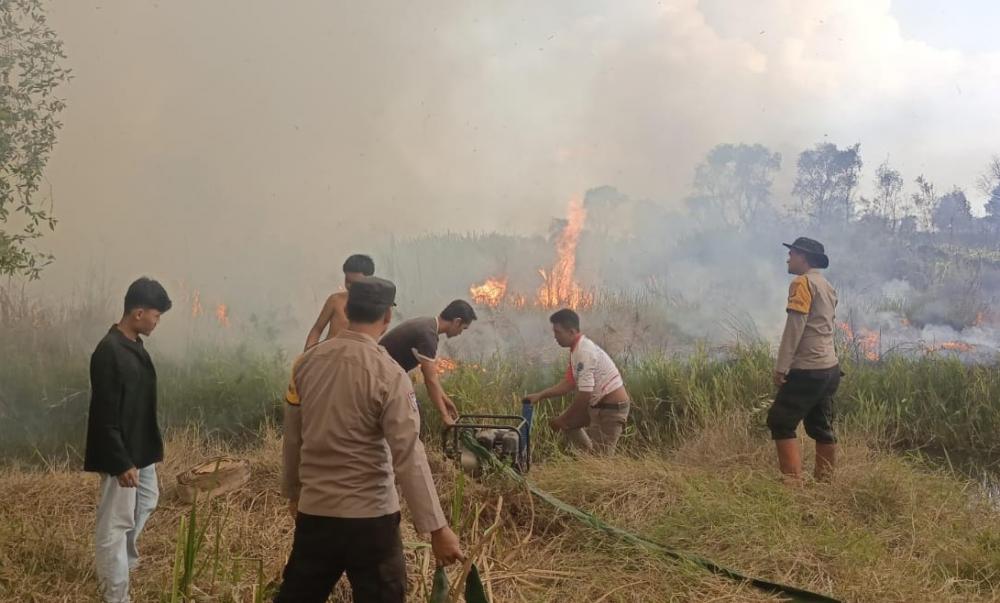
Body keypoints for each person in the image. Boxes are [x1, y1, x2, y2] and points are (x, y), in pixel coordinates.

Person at [277, 276, 463, 603]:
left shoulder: (305, 364)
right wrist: (437, 528)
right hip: (371, 521)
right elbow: (408, 454)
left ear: (347, 310)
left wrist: (294, 493)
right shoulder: (390, 373)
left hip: (316, 515)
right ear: (387, 317)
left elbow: (292, 437)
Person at [84, 277, 172, 603]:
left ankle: (124, 561)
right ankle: (116, 593)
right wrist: (121, 461)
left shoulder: (133, 344)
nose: (157, 321)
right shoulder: (108, 351)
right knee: (114, 525)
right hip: (121, 453)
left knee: (148, 499)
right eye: (156, 315)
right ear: (138, 313)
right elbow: (104, 414)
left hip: (140, 449)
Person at [769, 237, 841, 483]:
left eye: (793, 254)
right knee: (820, 425)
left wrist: (781, 367)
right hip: (829, 368)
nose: (788, 258)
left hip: (808, 368)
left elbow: (795, 327)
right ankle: (825, 482)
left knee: (780, 421)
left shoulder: (802, 283)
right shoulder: (827, 285)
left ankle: (792, 483)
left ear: (804, 257)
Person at [525, 308, 630, 455]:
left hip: (611, 409)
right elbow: (569, 383)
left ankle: (591, 461)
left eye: (558, 332)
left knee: (602, 462)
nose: (555, 337)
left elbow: (584, 396)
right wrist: (540, 395)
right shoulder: (576, 350)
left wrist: (564, 418)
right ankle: (587, 457)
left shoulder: (584, 352)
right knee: (569, 426)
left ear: (572, 332)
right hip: (599, 405)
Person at [379, 300, 477, 426]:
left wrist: (445, 400)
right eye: (463, 328)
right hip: (381, 379)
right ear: (457, 321)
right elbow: (429, 380)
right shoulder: (428, 336)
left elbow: (432, 378)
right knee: (410, 417)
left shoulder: (427, 324)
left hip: (384, 377)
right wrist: (445, 416)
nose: (460, 333)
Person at [303, 254, 375, 351]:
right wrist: (308, 353)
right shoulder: (335, 300)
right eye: (347, 281)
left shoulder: (374, 307)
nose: (349, 286)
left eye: (355, 283)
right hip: (327, 355)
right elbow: (317, 329)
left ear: (369, 280)